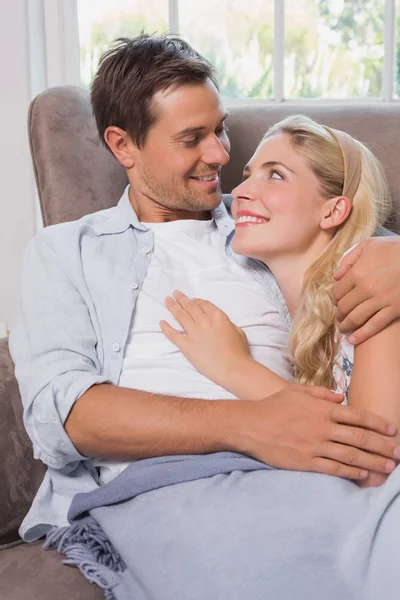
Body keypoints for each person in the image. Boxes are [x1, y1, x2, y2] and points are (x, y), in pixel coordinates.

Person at [9, 34, 400, 544]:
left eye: (221, 130)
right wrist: (248, 424)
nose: (220, 156)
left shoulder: (266, 223)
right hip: (169, 486)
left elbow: (356, 236)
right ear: (123, 144)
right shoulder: (67, 251)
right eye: (191, 138)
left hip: (304, 476)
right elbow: (62, 414)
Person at [159, 114, 400, 488]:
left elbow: (372, 469)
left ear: (333, 210)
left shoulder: (369, 287)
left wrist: (236, 368)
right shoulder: (304, 322)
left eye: (275, 175)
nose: (238, 194)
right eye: (247, 175)